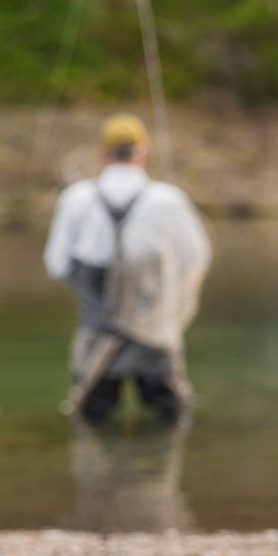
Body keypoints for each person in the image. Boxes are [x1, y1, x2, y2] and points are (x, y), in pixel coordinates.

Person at [43, 113, 212, 423]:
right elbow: (195, 259)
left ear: (101, 153)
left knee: (92, 423)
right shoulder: (169, 200)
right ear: (144, 151)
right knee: (171, 419)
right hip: (155, 339)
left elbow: (58, 268)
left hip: (97, 342)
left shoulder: (76, 199)